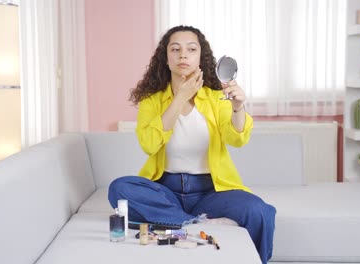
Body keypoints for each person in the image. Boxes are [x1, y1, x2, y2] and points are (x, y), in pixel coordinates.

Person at [108, 25, 276, 263]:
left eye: (191, 49)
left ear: (201, 57)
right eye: (175, 49)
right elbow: (149, 145)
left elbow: (237, 139)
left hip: (210, 191)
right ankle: (195, 223)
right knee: (119, 188)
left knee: (258, 211)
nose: (183, 55)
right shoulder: (151, 101)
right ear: (166, 59)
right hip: (166, 190)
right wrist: (179, 99)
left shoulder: (217, 98)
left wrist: (238, 107)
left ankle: (176, 221)